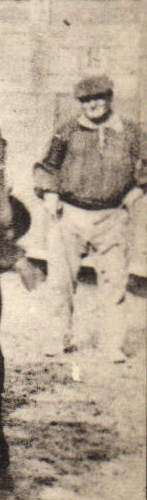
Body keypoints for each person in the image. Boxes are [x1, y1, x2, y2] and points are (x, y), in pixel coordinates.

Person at [34, 74, 146, 363]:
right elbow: (47, 167)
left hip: (112, 217)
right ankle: (59, 338)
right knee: (60, 281)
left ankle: (112, 344)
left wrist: (138, 191)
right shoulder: (67, 131)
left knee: (114, 283)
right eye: (86, 100)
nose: (93, 105)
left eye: (99, 98)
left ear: (110, 99)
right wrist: (49, 194)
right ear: (80, 103)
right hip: (70, 214)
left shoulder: (131, 131)